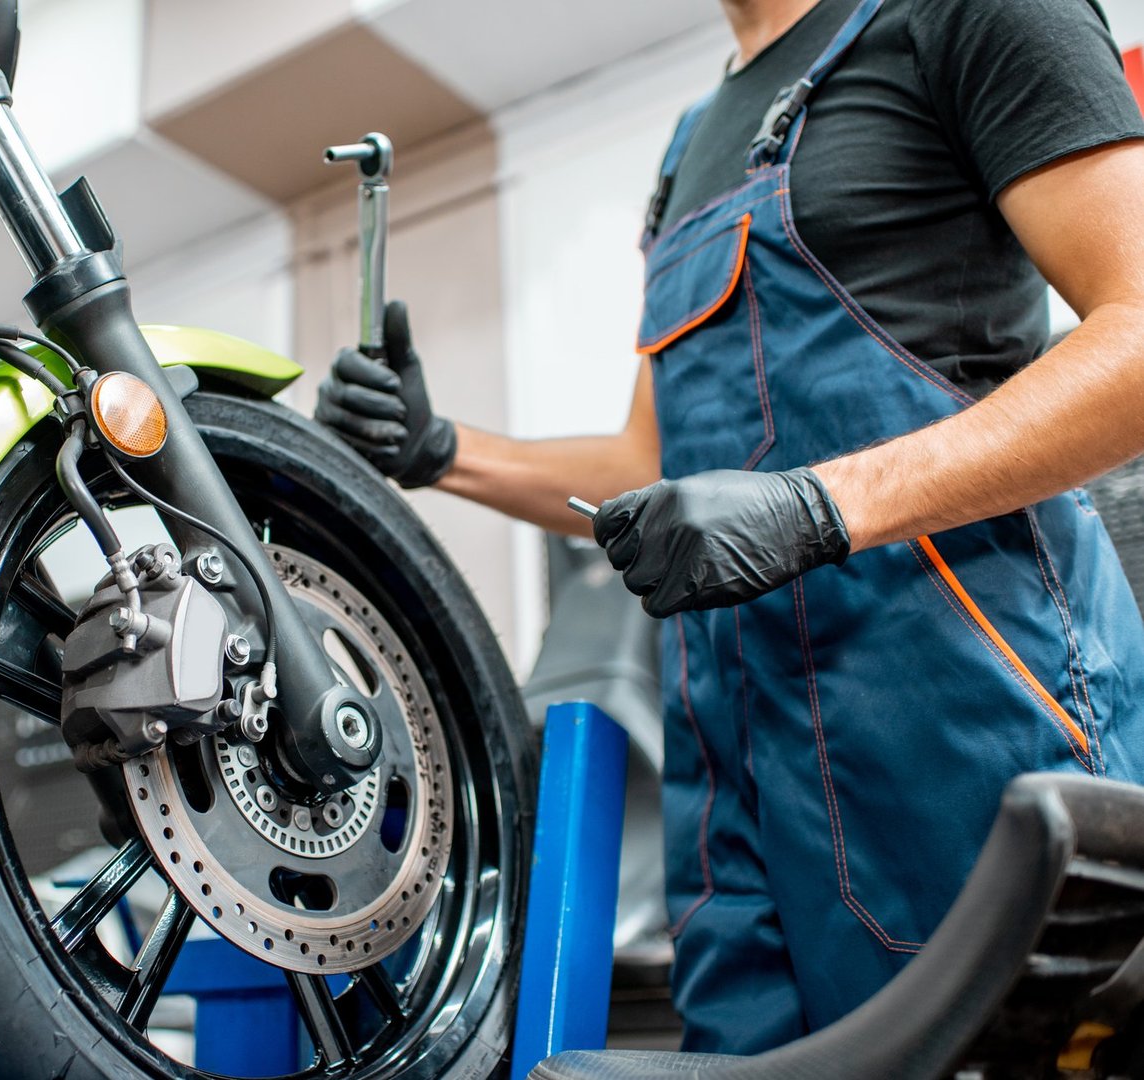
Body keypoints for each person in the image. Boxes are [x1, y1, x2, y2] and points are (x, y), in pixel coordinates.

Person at [315, 0, 1144, 1055]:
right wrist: (440, 451)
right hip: (732, 771)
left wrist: (817, 507)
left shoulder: (965, 14)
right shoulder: (692, 142)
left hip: (959, 722)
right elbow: (648, 463)